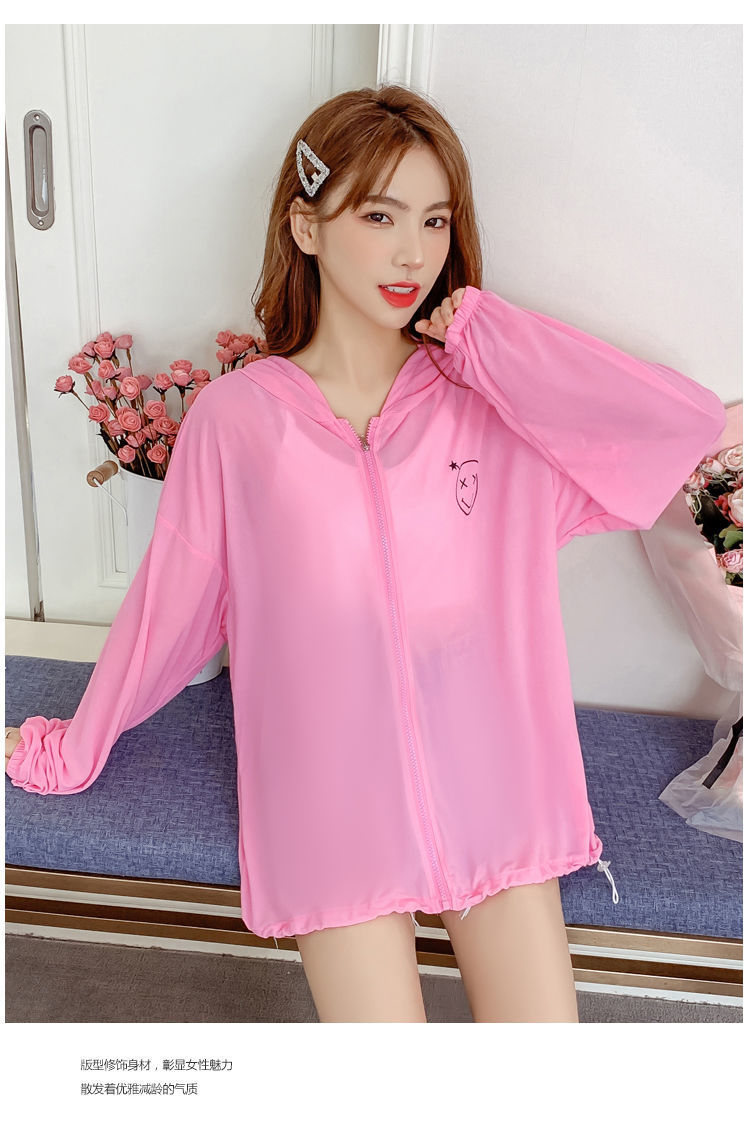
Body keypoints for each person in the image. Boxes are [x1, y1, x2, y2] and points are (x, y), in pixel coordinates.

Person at [6, 84, 726, 1022]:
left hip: (498, 782)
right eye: (379, 216)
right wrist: (75, 745)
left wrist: (492, 339)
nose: (413, 253)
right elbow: (170, 606)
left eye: (435, 220)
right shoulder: (238, 421)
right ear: (306, 226)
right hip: (330, 801)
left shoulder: (487, 402)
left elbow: (678, 427)